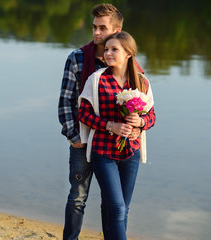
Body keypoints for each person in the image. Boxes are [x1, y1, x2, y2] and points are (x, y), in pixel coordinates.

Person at [58, 4, 144, 240]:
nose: (96, 33)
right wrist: (75, 138)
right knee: (77, 198)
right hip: (83, 143)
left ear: (117, 30)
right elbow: (66, 102)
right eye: (94, 27)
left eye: (102, 28)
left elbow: (143, 105)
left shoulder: (130, 66)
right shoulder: (77, 58)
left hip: (114, 146)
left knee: (114, 205)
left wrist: (137, 127)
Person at [77, 31, 156, 240]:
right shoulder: (97, 80)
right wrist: (110, 125)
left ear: (128, 53)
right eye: (107, 49)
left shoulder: (142, 82)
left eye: (115, 49)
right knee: (117, 207)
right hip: (103, 152)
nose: (108, 53)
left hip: (131, 152)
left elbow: (152, 116)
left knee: (122, 209)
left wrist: (141, 123)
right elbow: (83, 114)